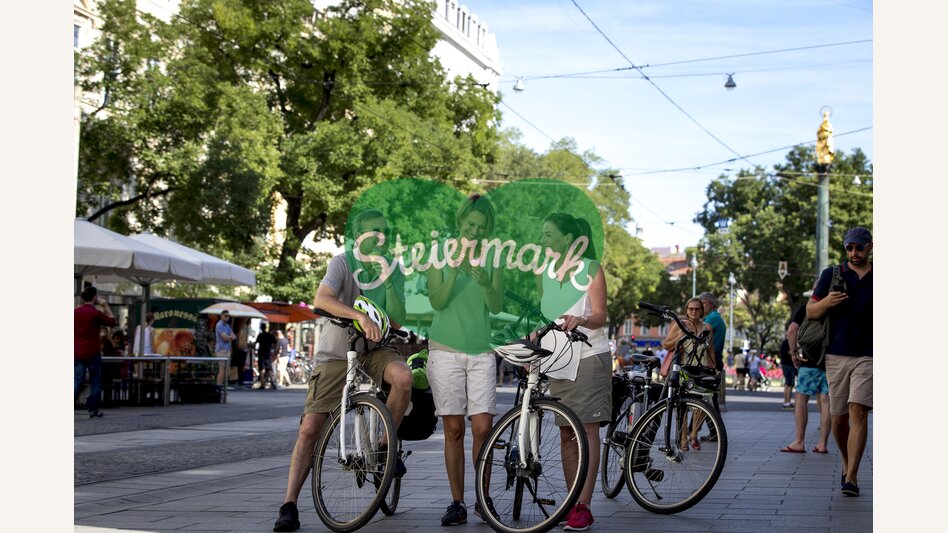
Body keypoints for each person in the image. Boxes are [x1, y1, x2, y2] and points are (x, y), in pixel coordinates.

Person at [273, 208, 412, 532]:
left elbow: (397, 320)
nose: (377, 239)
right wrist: (357, 316)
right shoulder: (343, 261)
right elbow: (321, 299)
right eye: (370, 232)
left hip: (375, 349)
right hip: (337, 352)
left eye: (383, 233)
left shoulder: (394, 268)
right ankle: (289, 504)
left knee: (403, 379)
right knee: (311, 427)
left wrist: (391, 283)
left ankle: (383, 448)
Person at [426, 194, 503, 526]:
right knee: (454, 430)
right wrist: (455, 271)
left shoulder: (494, 256)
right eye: (471, 224)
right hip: (444, 351)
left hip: (480, 351)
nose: (475, 231)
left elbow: (497, 305)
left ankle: (482, 500)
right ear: (460, 222)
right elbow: (437, 301)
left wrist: (486, 283)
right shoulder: (439, 254)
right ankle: (457, 501)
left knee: (483, 429)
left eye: (482, 227)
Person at [539, 213, 610, 531]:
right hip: (557, 358)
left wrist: (580, 319)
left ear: (568, 239)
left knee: (588, 430)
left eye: (549, 235)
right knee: (567, 431)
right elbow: (543, 315)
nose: (544, 241)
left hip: (588, 355)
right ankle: (571, 502)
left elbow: (600, 316)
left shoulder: (591, 269)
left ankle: (584, 506)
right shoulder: (546, 271)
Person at [806, 226, 872, 497]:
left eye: (859, 247)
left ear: (870, 247)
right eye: (850, 248)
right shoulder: (832, 275)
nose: (854, 252)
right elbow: (811, 311)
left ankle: (853, 477)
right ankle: (846, 462)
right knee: (838, 420)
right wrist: (827, 302)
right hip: (836, 353)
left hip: (870, 355)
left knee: (858, 409)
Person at [661, 297, 715, 450]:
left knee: (704, 404)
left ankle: (694, 433)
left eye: (697, 309)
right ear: (686, 310)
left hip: (701, 368)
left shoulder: (707, 327)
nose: (694, 311)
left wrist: (713, 367)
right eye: (691, 309)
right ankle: (684, 439)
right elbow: (666, 345)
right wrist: (680, 336)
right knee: (683, 406)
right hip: (684, 368)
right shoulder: (680, 325)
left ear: (702, 311)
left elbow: (710, 349)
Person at [780, 303, 831, 454]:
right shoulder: (835, 305)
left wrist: (794, 353)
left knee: (801, 400)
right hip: (830, 362)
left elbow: (792, 330)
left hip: (808, 363)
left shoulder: (808, 307)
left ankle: (799, 442)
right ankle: (822, 444)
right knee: (826, 401)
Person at [75, 286, 116, 418]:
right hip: (92, 352)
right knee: (95, 381)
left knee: (77, 380)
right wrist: (105, 305)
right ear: (94, 297)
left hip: (77, 351)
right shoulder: (95, 313)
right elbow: (112, 322)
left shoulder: (74, 312)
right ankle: (93, 409)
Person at [698, 291, 727, 440]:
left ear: (710, 304)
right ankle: (714, 431)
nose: (699, 308)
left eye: (702, 304)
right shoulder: (716, 318)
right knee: (709, 398)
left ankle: (700, 430)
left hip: (711, 361)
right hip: (714, 360)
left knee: (706, 397)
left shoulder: (711, 319)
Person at [214, 310, 237, 389]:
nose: (227, 317)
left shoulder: (227, 326)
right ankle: (219, 385)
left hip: (227, 349)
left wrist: (229, 337)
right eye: (225, 316)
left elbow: (234, 336)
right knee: (222, 368)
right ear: (221, 316)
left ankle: (224, 385)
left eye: (228, 316)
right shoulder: (219, 325)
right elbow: (224, 337)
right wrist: (230, 337)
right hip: (221, 349)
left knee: (227, 369)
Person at [778, 330, 798, 409]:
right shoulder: (788, 343)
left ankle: (786, 401)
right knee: (790, 384)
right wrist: (797, 348)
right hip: (789, 365)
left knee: (787, 384)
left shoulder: (784, 343)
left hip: (785, 365)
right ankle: (787, 402)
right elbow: (790, 352)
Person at [254, 323, 277, 390]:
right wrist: (273, 350)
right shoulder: (269, 335)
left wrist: (253, 347)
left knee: (261, 369)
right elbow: (275, 342)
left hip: (261, 353)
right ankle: (273, 383)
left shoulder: (260, 335)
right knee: (269, 369)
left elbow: (256, 343)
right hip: (267, 354)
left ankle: (263, 384)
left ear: (261, 328)